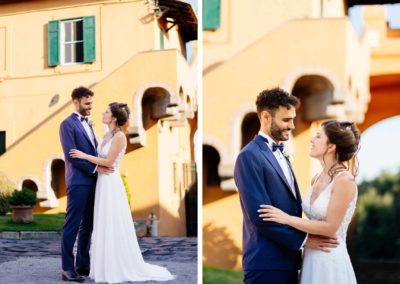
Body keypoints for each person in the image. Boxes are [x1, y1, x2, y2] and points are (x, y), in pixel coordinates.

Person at [234, 88, 338, 284]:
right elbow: (260, 216)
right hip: (266, 264)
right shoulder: (248, 157)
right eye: (286, 120)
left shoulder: (282, 154)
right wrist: (305, 240)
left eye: (293, 119)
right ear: (266, 117)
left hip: (289, 262)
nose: (292, 125)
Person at [69, 102, 174, 283]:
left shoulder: (120, 137)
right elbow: (101, 156)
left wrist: (84, 156)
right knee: (102, 223)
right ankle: (102, 265)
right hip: (102, 182)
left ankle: (116, 266)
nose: (103, 113)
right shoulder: (107, 134)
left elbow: (109, 162)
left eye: (106, 111)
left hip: (110, 183)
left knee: (111, 222)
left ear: (114, 118)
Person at [258, 120, 360, 284]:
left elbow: (330, 228)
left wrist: (286, 218)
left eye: (318, 136)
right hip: (310, 258)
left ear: (331, 146)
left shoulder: (344, 181)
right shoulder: (316, 179)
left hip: (330, 259)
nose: (312, 139)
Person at [59, 86, 113, 283]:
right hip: (78, 182)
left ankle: (83, 265)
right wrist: (95, 169)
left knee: (87, 225)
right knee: (72, 224)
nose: (91, 106)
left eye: (92, 102)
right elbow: (71, 156)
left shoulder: (89, 125)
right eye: (87, 103)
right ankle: (67, 268)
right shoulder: (67, 124)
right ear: (76, 102)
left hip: (93, 182)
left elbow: (92, 153)